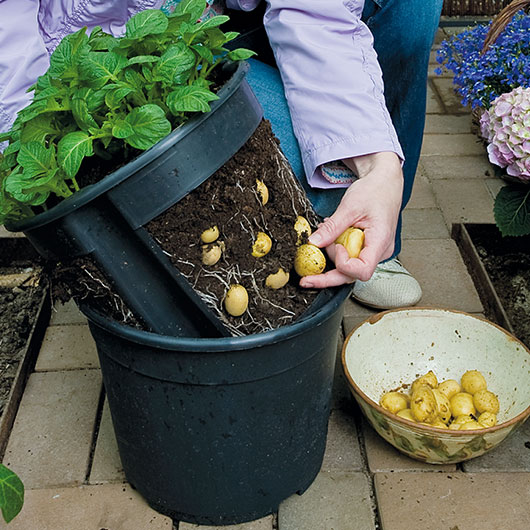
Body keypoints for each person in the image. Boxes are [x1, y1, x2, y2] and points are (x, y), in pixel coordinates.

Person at [0, 0, 443, 309]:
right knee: (309, 199)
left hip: (226, 19)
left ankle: (377, 240)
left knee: (409, 6)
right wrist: (44, 141)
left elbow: (315, 12)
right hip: (110, 41)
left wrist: (377, 163)